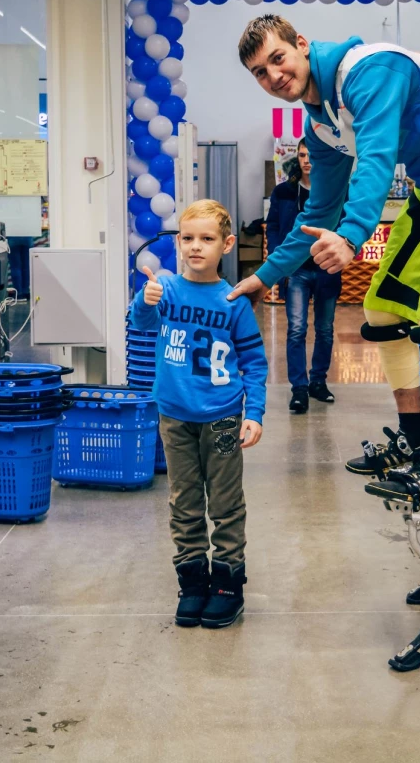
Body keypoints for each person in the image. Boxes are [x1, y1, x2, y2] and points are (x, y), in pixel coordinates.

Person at [230, 15, 420, 506]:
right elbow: (317, 212)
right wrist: (262, 278)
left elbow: (378, 159)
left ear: (301, 45)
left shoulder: (368, 69)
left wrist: (352, 236)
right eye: (260, 72)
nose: (274, 76)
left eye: (278, 58)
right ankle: (414, 437)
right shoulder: (319, 125)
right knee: (381, 307)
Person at [130, 199, 268, 628]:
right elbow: (142, 323)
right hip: (174, 417)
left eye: (206, 239)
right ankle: (192, 580)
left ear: (226, 245)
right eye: (187, 238)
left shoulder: (234, 302)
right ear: (177, 243)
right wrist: (146, 299)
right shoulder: (166, 290)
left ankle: (227, 583)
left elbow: (255, 363)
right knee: (184, 501)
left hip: (223, 415)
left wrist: (256, 412)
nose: (195, 247)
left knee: (225, 503)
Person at [266, 137, 342, 413]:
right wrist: (278, 259)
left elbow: (345, 225)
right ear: (296, 158)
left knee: (324, 329)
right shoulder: (284, 192)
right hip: (296, 269)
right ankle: (299, 388)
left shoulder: (334, 190)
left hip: (326, 269)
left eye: (311, 154)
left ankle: (318, 382)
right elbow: (272, 226)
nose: (307, 159)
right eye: (301, 155)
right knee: (296, 329)